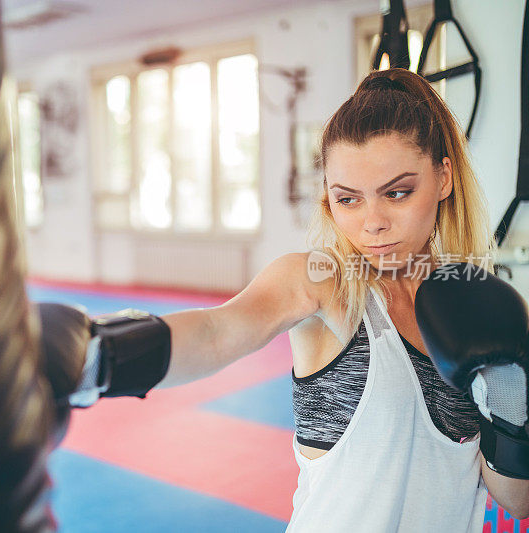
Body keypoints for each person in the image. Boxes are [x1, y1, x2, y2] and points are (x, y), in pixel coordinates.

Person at [43, 68, 529, 530]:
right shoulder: (325, 281)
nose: (372, 222)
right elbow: (218, 331)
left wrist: (510, 392)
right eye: (348, 198)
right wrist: (98, 356)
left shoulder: (476, 306)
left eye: (397, 193)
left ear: (443, 178)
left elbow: (515, 500)